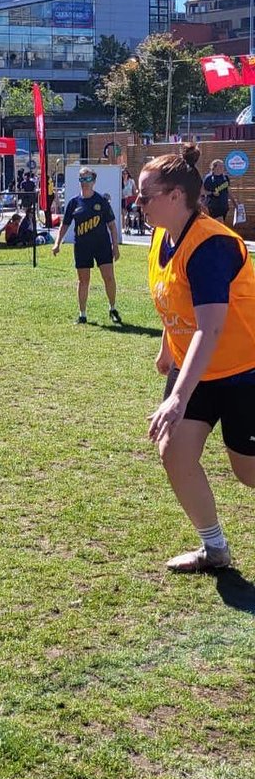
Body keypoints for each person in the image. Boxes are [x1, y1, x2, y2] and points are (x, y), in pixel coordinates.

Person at [139, 143, 255, 572]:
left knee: (248, 473)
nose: (139, 204)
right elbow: (175, 302)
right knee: (174, 452)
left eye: (145, 196)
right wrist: (167, 349)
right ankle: (215, 549)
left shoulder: (212, 247)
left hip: (245, 372)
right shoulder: (159, 238)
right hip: (198, 369)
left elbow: (212, 326)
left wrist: (177, 397)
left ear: (175, 196)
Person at [51, 167, 121, 325]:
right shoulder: (74, 203)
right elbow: (65, 225)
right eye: (82, 179)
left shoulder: (101, 201)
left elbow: (112, 226)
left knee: (109, 278)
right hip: (82, 246)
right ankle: (82, 314)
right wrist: (57, 243)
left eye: (88, 179)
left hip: (102, 245)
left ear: (94, 181)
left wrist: (115, 246)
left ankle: (112, 308)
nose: (84, 183)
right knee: (83, 280)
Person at [202, 159, 231, 223]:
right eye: (220, 166)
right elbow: (202, 192)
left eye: (223, 166)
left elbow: (228, 191)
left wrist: (235, 204)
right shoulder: (209, 178)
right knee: (218, 224)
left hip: (224, 206)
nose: (222, 167)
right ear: (214, 167)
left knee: (219, 224)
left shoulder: (225, 177)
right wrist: (212, 193)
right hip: (213, 206)